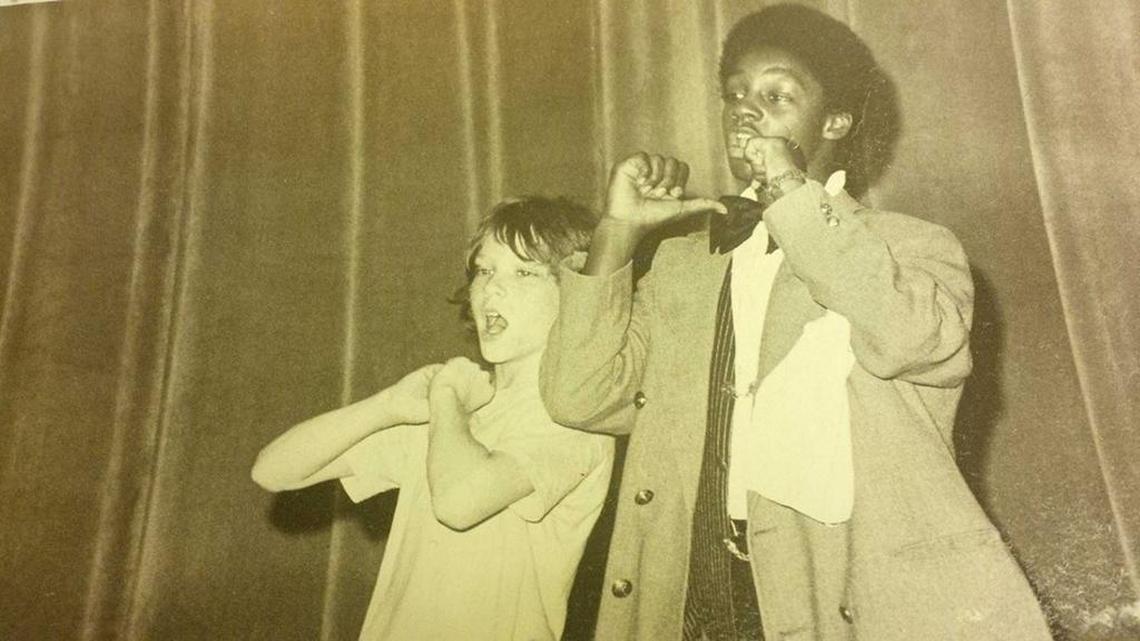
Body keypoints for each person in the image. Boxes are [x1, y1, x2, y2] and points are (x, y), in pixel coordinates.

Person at [540, 4, 1051, 640]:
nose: (745, 110)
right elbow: (580, 396)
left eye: (776, 94)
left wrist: (789, 191)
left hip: (841, 586)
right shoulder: (682, 265)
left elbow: (908, 340)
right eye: (735, 95)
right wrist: (616, 234)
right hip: (696, 590)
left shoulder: (910, 247)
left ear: (836, 120)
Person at [251, 197, 614, 641]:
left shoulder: (575, 418)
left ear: (574, 296)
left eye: (524, 272)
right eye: (485, 270)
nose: (492, 289)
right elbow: (274, 471)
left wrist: (444, 395)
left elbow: (459, 504)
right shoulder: (455, 415)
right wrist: (386, 405)